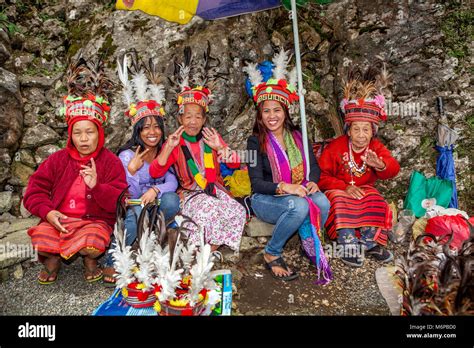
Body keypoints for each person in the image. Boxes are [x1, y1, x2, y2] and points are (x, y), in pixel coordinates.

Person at [23, 57, 127, 284]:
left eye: (89, 132)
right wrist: (49, 213)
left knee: (92, 241)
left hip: (92, 223)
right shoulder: (57, 160)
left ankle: (90, 260)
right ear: (70, 134)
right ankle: (52, 259)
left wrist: (97, 187)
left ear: (100, 133)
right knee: (39, 239)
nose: (83, 138)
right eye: (77, 132)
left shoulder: (110, 162)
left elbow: (120, 200)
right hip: (60, 221)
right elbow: (34, 192)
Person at [149, 46, 246, 256]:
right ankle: (199, 252)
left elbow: (235, 163)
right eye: (188, 116)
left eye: (198, 116)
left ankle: (210, 250)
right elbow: (155, 173)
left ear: (204, 119)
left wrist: (220, 148)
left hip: (214, 189)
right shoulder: (175, 141)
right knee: (208, 209)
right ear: (180, 118)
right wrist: (168, 148)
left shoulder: (211, 137)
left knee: (237, 210)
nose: (193, 121)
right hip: (191, 194)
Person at [244, 50, 330, 281]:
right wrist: (285, 187)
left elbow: (314, 167)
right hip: (266, 199)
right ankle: (272, 253)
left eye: (277, 110)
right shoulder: (254, 141)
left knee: (321, 201)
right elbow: (257, 184)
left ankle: (307, 241)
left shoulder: (299, 136)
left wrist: (312, 182)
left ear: (285, 111)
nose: (272, 116)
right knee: (300, 205)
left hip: (297, 192)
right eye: (266, 111)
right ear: (260, 115)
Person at [102, 55, 180, 284]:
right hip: (136, 206)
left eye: (157, 126)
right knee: (133, 219)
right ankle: (114, 257)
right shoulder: (127, 155)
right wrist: (133, 171)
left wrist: (155, 191)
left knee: (172, 201)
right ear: (138, 131)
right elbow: (130, 195)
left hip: (156, 203)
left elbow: (172, 181)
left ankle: (157, 236)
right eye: (146, 128)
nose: (152, 132)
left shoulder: (164, 149)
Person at [318, 63, 400, 267]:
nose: (361, 135)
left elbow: (393, 168)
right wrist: (344, 187)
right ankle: (347, 245)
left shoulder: (375, 146)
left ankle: (369, 243)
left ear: (373, 131)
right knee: (338, 200)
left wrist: (380, 164)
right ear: (349, 130)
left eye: (366, 130)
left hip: (362, 189)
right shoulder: (336, 147)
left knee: (375, 198)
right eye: (357, 129)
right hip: (339, 189)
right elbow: (321, 176)